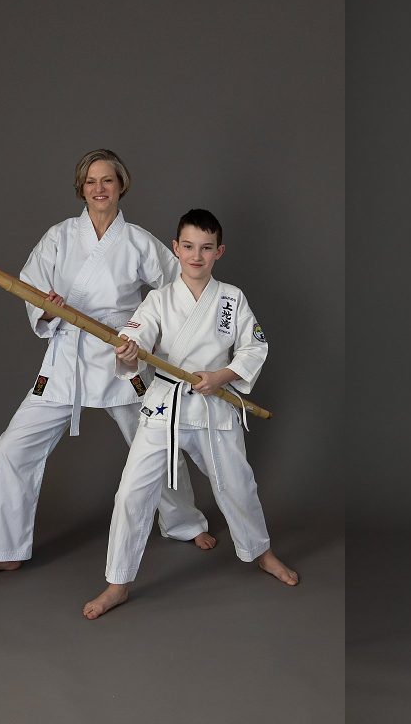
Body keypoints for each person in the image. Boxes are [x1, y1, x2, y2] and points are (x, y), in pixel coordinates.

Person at [0, 150, 211, 581]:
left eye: (108, 181)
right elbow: (30, 287)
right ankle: (5, 548)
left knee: (155, 443)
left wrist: (144, 328)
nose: (100, 189)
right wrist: (48, 309)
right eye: (91, 181)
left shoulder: (137, 241)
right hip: (67, 357)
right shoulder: (59, 237)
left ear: (122, 185)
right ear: (81, 188)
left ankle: (184, 523)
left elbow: (179, 287)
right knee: (13, 447)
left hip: (123, 356)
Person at [83, 208, 297, 620]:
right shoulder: (158, 299)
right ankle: (118, 582)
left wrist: (220, 376)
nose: (196, 256)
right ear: (176, 247)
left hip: (214, 406)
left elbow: (255, 348)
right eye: (188, 247)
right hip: (166, 404)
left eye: (206, 248)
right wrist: (128, 348)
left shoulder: (232, 299)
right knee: (131, 493)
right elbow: (137, 335)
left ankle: (262, 553)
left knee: (238, 486)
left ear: (219, 251)